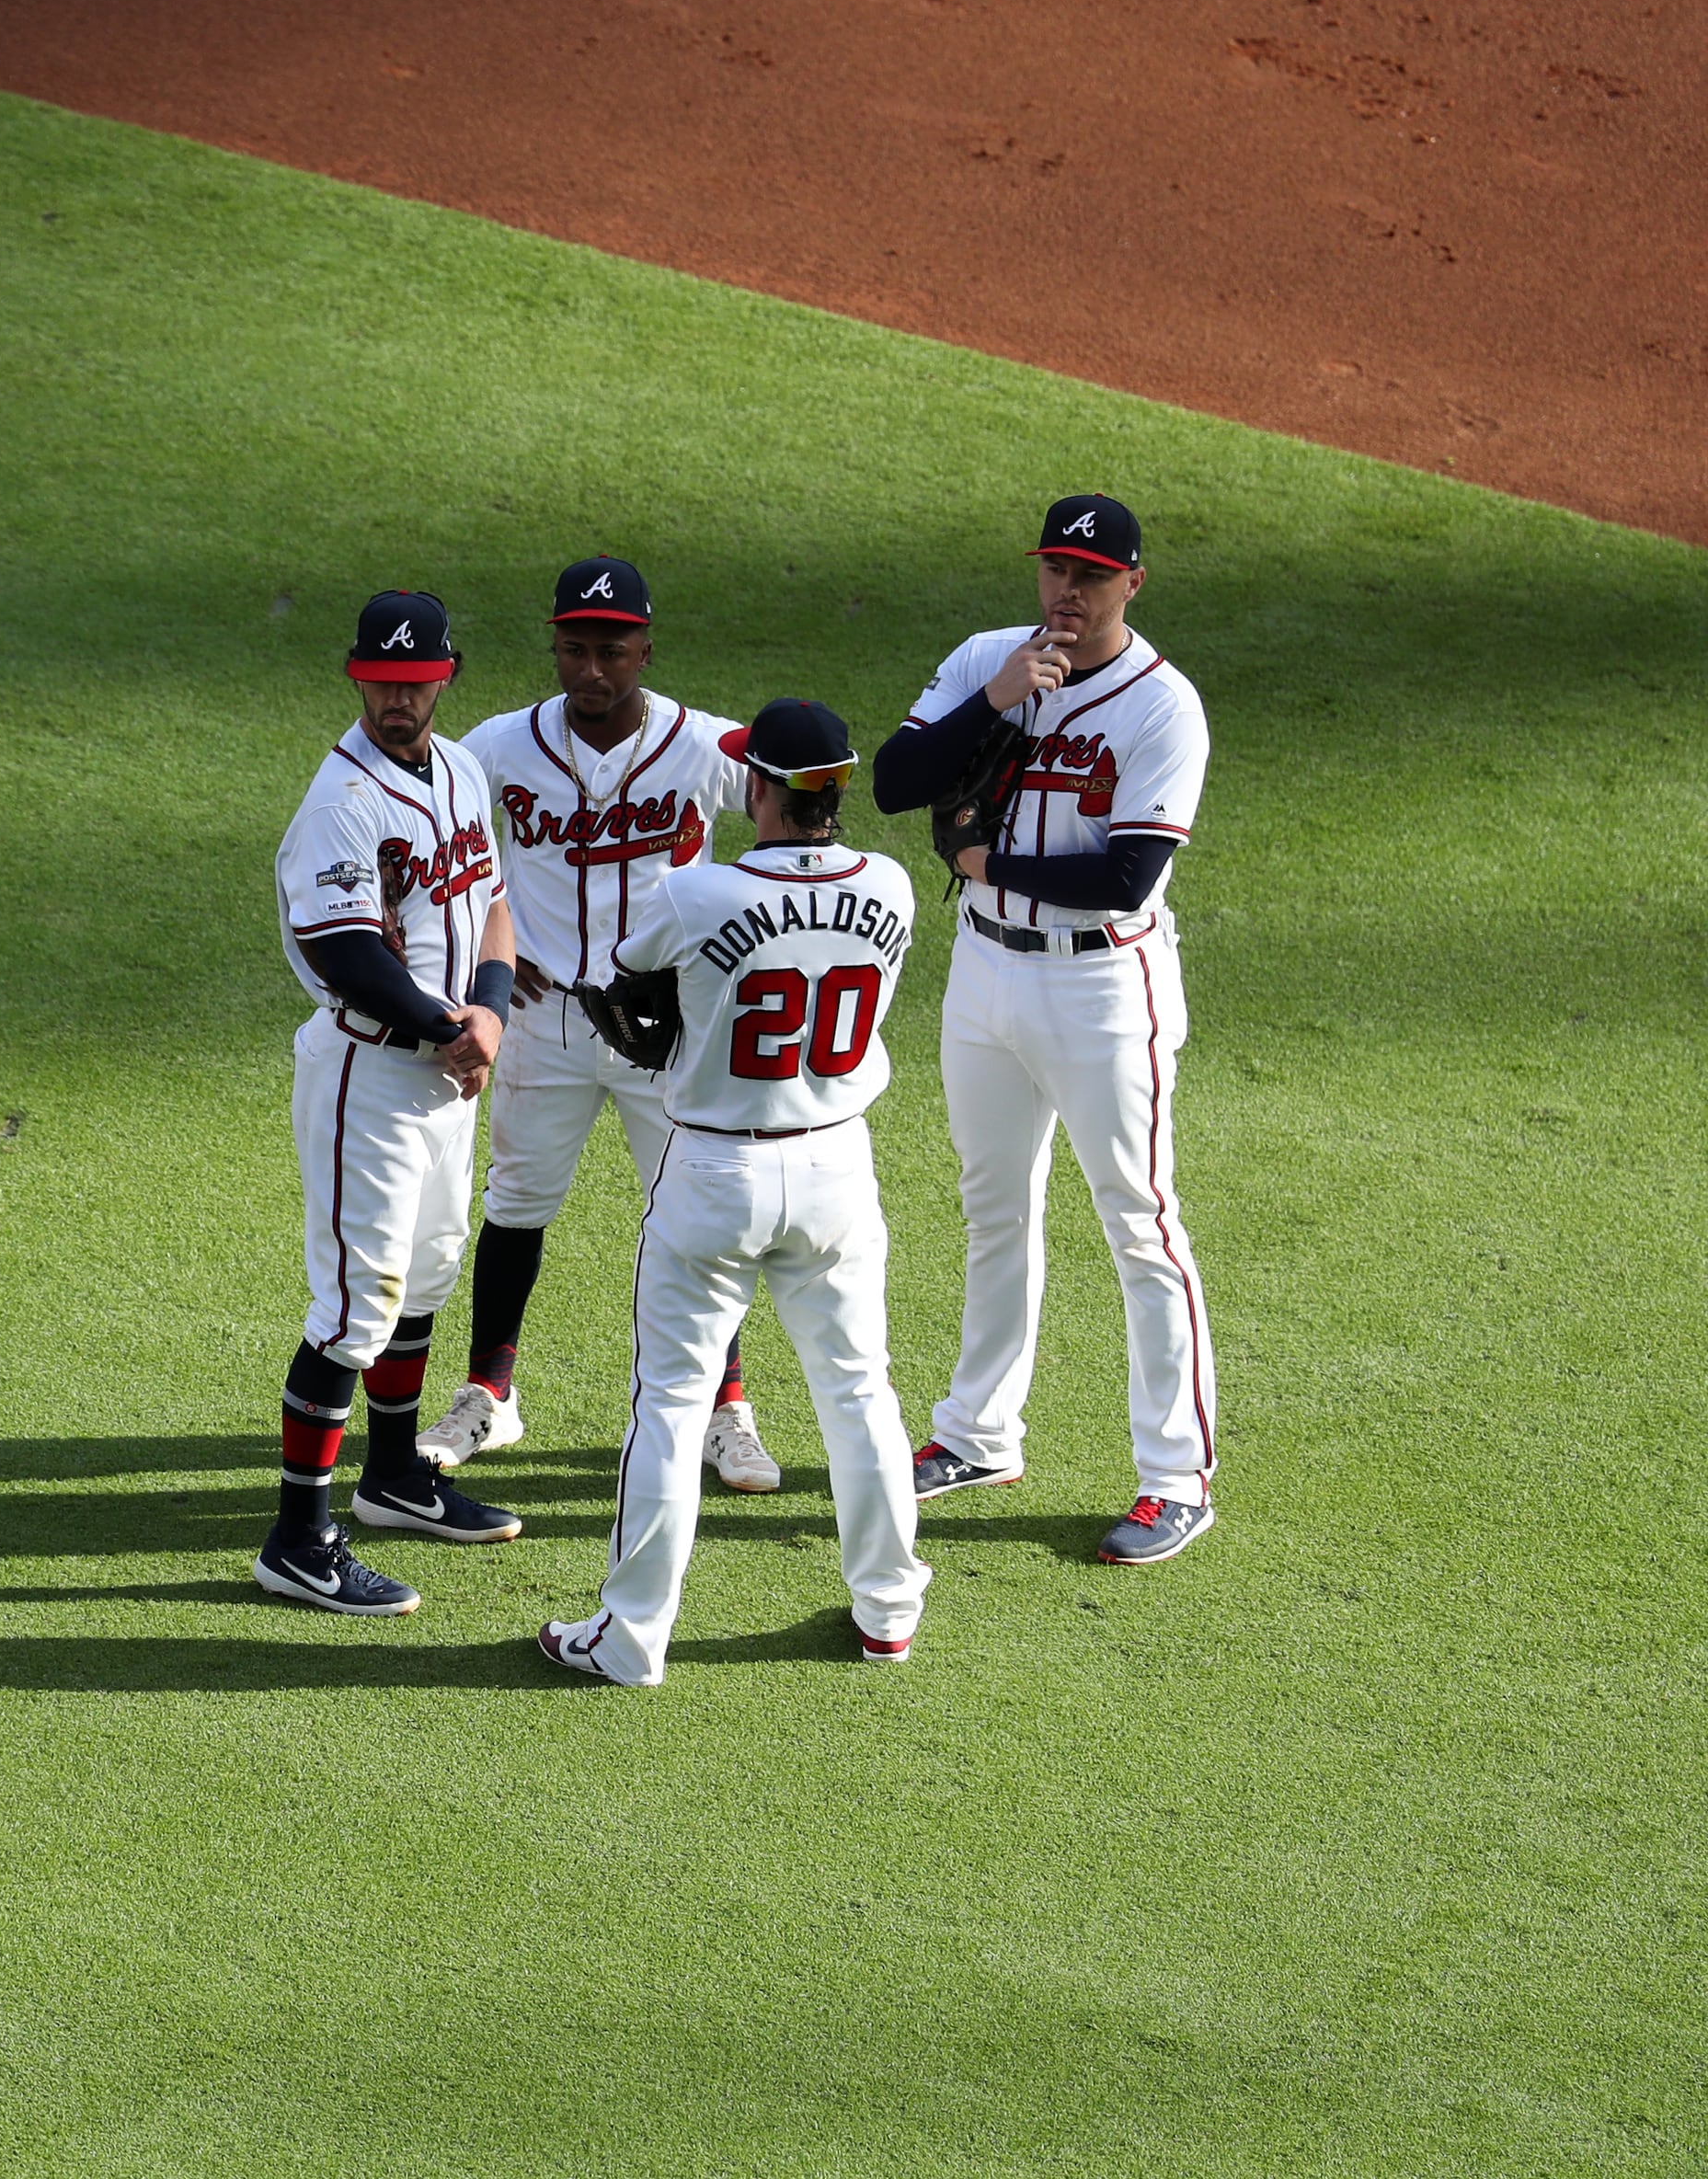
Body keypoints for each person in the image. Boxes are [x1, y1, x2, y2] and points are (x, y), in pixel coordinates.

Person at [537, 700, 933, 1684]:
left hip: (717, 1167)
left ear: (758, 787)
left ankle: (630, 1637)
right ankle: (888, 1610)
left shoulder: (694, 892)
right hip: (838, 1162)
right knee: (858, 1388)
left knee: (671, 1401)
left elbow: (626, 983)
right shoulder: (890, 885)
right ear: (837, 789)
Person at [873, 495, 1219, 1566]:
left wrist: (983, 865)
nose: (1067, 594)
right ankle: (979, 1434)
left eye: (1091, 576)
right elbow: (896, 782)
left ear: (1131, 586)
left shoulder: (1164, 708)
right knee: (992, 1207)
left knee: (1139, 1222)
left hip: (1103, 989)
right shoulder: (991, 657)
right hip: (983, 972)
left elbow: (1125, 875)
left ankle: (1176, 1477)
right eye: (1055, 571)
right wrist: (997, 697)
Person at [432, 557, 777, 1496]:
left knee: (700, 1212)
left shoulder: (703, 746)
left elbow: (797, 813)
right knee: (515, 1208)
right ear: (553, 645)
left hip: (667, 1028)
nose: (592, 669)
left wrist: (730, 939)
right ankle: (487, 1396)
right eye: (575, 648)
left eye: (612, 652)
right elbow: (440, 849)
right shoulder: (498, 747)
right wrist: (484, 961)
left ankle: (725, 1408)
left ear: (645, 651)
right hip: (542, 1023)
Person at [256, 592, 526, 1617]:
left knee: (427, 1274)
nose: (398, 699)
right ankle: (298, 1538)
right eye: (381, 681)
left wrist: (488, 1019)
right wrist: (450, 1031)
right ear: (355, 676)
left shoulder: (458, 769)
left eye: (415, 684)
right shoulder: (340, 802)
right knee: (354, 1309)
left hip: (446, 1071)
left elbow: (495, 904)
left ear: (445, 678)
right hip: (369, 1076)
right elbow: (343, 953)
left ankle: (395, 1478)